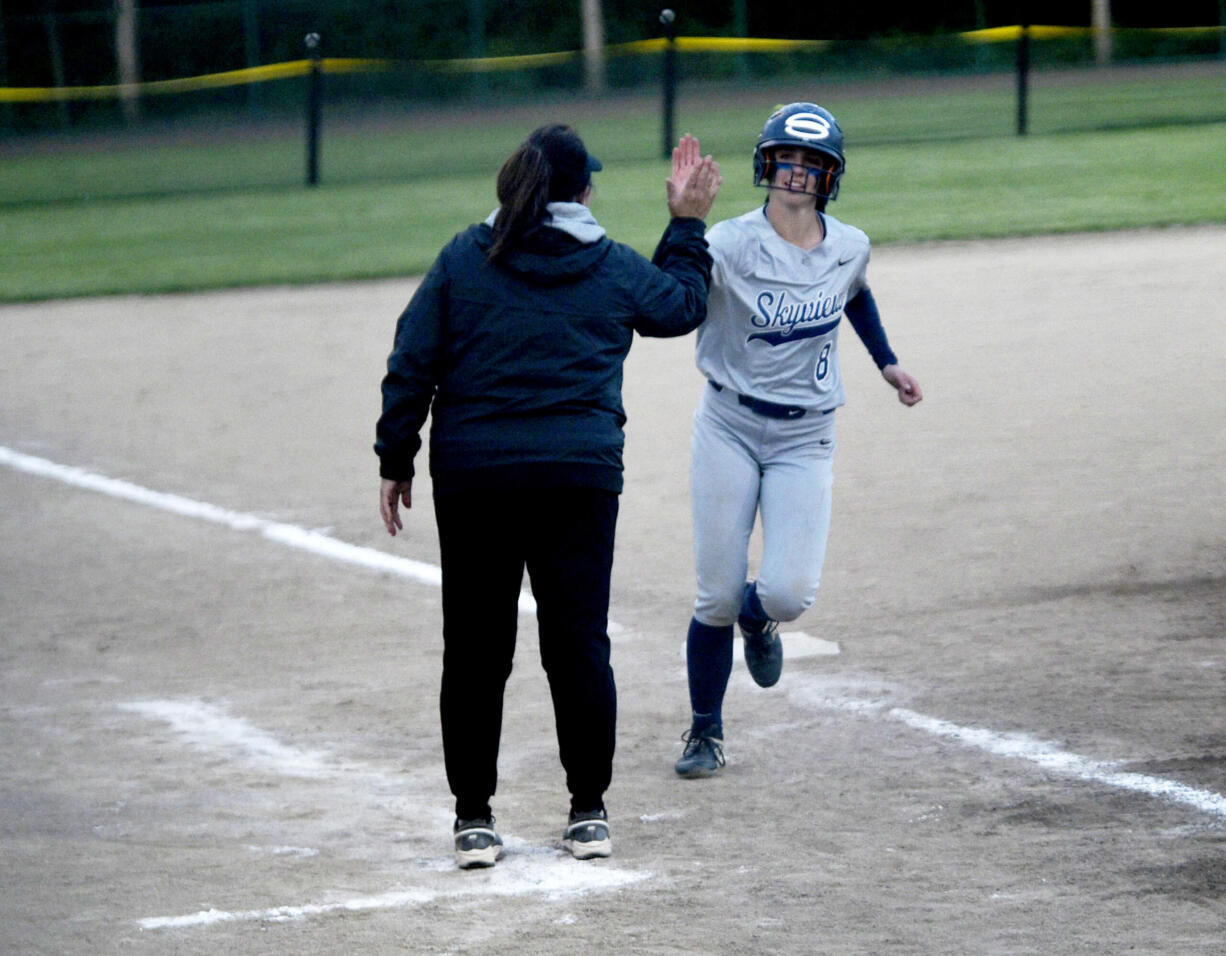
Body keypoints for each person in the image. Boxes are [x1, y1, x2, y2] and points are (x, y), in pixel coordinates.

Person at [376, 124, 721, 867]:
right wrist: (686, 223)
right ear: (583, 192)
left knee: (474, 651)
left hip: (475, 478)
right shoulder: (609, 266)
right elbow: (681, 304)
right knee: (576, 645)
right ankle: (588, 812)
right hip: (578, 477)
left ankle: (474, 819)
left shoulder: (466, 258)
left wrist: (395, 455)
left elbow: (412, 357)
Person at [674, 103, 923, 778]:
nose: (798, 172)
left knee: (786, 593)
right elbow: (671, 293)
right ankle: (704, 731)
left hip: (805, 436)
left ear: (830, 178)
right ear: (765, 164)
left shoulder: (849, 244)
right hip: (727, 424)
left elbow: (855, 294)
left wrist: (886, 360)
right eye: (788, 157)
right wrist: (684, 224)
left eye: (814, 164)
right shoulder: (727, 242)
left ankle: (761, 622)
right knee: (716, 594)